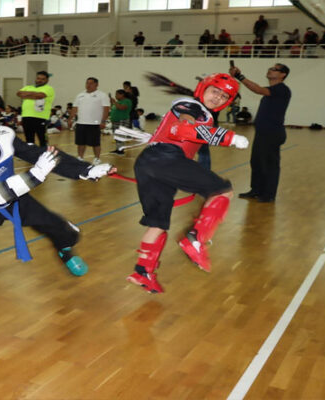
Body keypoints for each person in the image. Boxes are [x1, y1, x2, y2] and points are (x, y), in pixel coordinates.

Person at [0, 91, 115, 334]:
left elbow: (41, 155)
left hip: (14, 194)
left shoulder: (3, 135)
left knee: (56, 225)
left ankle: (64, 248)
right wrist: (37, 174)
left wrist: (86, 170)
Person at [128, 73, 249, 294]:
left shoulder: (196, 109)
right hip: (166, 159)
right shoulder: (192, 106)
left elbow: (175, 130)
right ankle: (196, 239)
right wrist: (229, 138)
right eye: (215, 91)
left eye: (224, 96)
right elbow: (185, 126)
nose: (218, 98)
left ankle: (143, 271)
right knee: (222, 190)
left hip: (148, 163)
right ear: (203, 89)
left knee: (158, 223)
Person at [230, 63, 291, 203]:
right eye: (270, 68)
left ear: (283, 74)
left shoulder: (282, 89)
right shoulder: (271, 91)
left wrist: (239, 76)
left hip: (272, 133)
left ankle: (269, 194)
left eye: (275, 69)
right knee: (257, 162)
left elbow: (258, 89)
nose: (270, 70)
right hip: (262, 133)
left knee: (269, 165)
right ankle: (256, 190)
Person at [69, 77, 110, 164]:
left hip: (95, 123)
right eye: (87, 83)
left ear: (96, 84)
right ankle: (80, 157)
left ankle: (97, 158)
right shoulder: (80, 95)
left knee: (95, 143)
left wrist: (103, 121)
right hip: (81, 122)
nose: (88, 85)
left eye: (91, 83)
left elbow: (106, 109)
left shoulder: (102, 95)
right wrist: (70, 119)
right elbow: (75, 108)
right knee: (80, 142)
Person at [17, 71, 55, 147]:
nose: (39, 80)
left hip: (40, 117)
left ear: (47, 80)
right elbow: (19, 93)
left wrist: (27, 94)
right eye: (38, 78)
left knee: (42, 139)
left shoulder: (49, 88)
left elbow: (40, 96)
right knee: (29, 139)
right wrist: (34, 94)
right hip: (26, 116)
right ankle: (31, 153)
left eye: (43, 79)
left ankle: (45, 152)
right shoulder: (28, 87)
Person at [108, 89, 132, 155]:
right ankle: (118, 149)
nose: (116, 96)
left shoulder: (127, 101)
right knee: (116, 136)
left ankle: (121, 150)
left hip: (122, 121)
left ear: (122, 95)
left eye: (117, 94)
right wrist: (112, 103)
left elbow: (121, 108)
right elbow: (112, 109)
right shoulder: (118, 102)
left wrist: (114, 102)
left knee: (120, 135)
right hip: (115, 121)